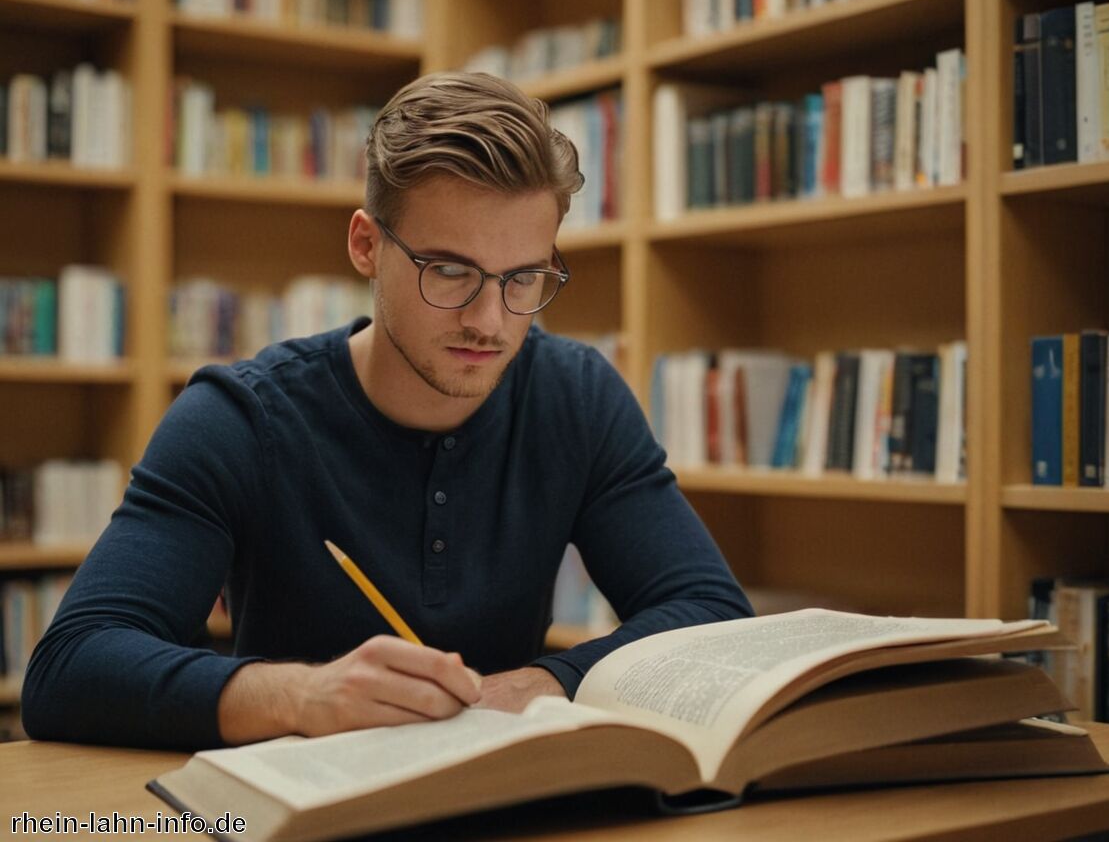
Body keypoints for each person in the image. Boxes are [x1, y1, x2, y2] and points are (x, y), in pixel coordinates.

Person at [21, 72, 753, 750]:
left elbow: (711, 612)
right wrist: (303, 697)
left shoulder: (579, 397)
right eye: (450, 272)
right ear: (366, 245)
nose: (491, 322)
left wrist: (549, 681)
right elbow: (70, 668)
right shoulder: (240, 418)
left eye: (524, 278)